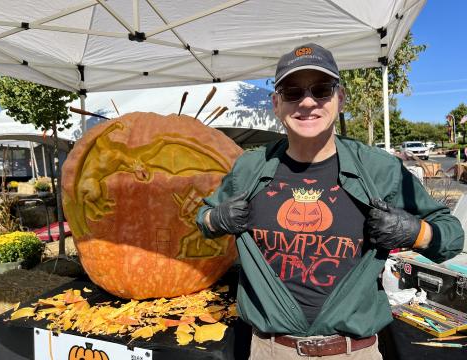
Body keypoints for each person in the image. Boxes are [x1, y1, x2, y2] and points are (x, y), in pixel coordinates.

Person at [196, 43, 464, 359]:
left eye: (321, 90)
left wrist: (417, 232)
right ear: (276, 103)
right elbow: (204, 219)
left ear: (340, 98)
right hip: (269, 350)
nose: (307, 102)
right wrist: (219, 218)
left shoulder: (378, 169)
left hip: (353, 352)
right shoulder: (250, 167)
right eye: (293, 92)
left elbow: (452, 236)